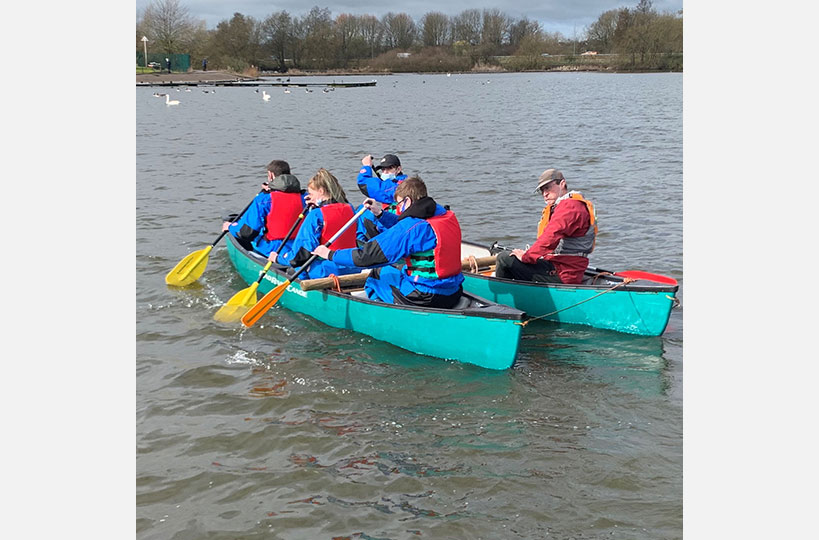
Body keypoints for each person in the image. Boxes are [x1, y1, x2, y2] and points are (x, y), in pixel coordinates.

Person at [312, 175, 464, 308]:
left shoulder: (413, 227)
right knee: (398, 268)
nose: (398, 210)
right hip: (454, 291)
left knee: (377, 274)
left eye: (398, 205)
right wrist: (380, 214)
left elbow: (366, 257)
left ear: (407, 201)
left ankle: (379, 315)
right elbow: (407, 230)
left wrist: (330, 254)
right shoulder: (445, 216)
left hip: (425, 296)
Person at [494, 169, 597, 284]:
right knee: (514, 259)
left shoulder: (570, 207)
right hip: (563, 267)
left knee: (504, 259)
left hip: (564, 272)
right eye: (542, 190)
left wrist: (526, 257)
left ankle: (499, 299)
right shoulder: (569, 205)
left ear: (562, 184)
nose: (545, 194)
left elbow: (550, 236)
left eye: (548, 188)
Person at [275, 168, 360, 280]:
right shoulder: (350, 209)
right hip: (352, 267)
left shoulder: (316, 215)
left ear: (321, 191)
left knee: (295, 268)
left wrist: (278, 259)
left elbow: (300, 255)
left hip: (326, 271)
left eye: (311, 193)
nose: (310, 197)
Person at [222, 160, 307, 257]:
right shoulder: (307, 198)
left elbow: (247, 233)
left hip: (273, 249)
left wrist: (230, 227)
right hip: (300, 248)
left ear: (270, 175)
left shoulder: (264, 199)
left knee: (250, 233)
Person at [355, 153, 408, 245]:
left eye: (389, 168)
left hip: (395, 229)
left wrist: (366, 167)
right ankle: (361, 242)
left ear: (399, 169)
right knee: (363, 210)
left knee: (362, 212)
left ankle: (361, 244)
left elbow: (364, 184)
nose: (385, 172)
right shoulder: (401, 182)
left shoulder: (398, 187)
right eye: (383, 169)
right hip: (392, 224)